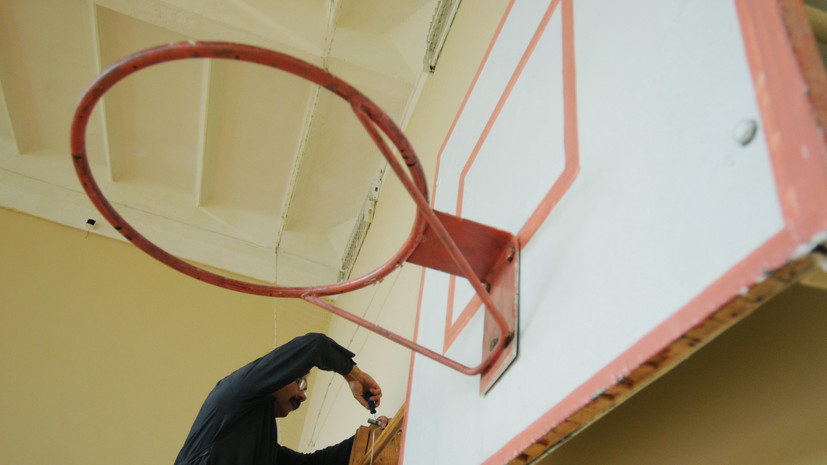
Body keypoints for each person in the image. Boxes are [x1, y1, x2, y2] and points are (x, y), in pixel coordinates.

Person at [174, 332, 387, 465]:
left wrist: (371, 439)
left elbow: (312, 464)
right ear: (279, 376)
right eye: (300, 382)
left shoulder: (262, 448)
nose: (303, 396)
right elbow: (315, 346)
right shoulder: (235, 393)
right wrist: (354, 375)